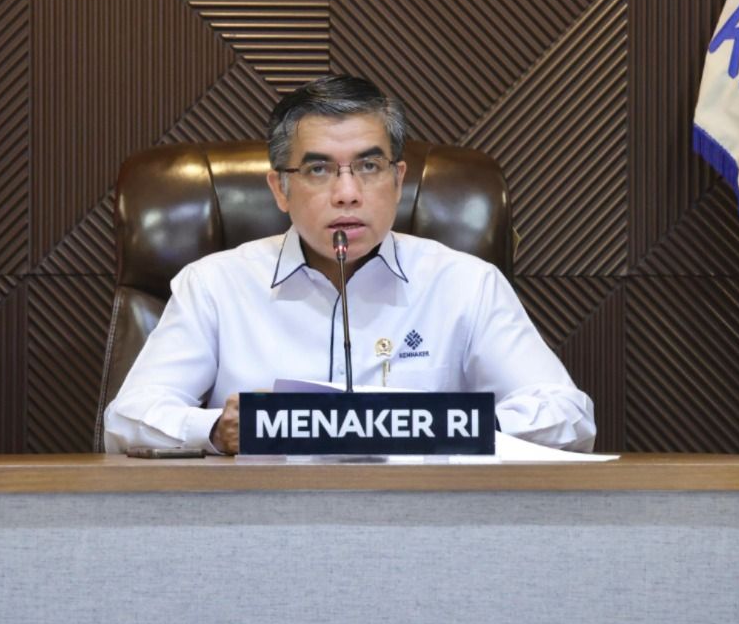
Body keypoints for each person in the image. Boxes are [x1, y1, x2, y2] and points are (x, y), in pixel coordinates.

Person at [103, 74, 597, 454]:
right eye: (318, 169)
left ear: (398, 181)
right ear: (280, 188)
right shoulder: (215, 284)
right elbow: (128, 419)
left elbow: (570, 417)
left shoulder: (466, 284)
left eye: (368, 166)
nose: (347, 193)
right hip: (260, 525)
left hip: (425, 525)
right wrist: (215, 429)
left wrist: (448, 423)